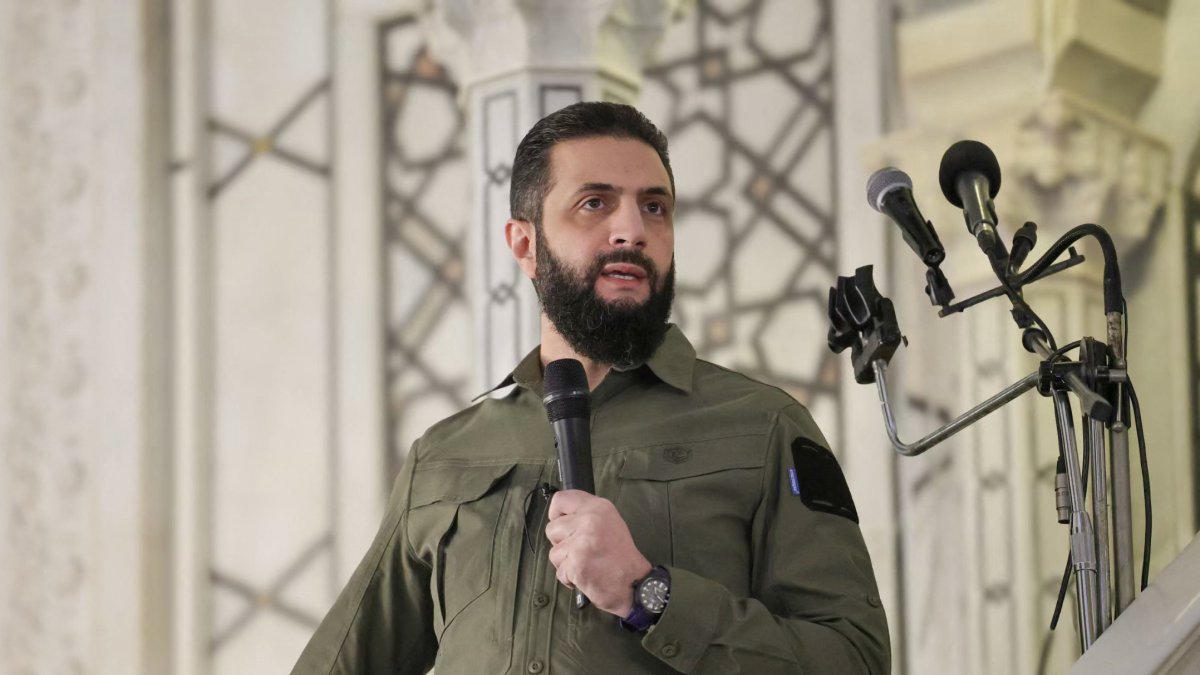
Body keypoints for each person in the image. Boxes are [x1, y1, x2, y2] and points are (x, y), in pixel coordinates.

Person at [291, 101, 890, 674]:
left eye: (654, 207)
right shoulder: (444, 453)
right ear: (525, 244)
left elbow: (855, 660)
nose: (630, 229)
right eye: (595, 203)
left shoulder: (764, 428)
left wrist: (648, 593)